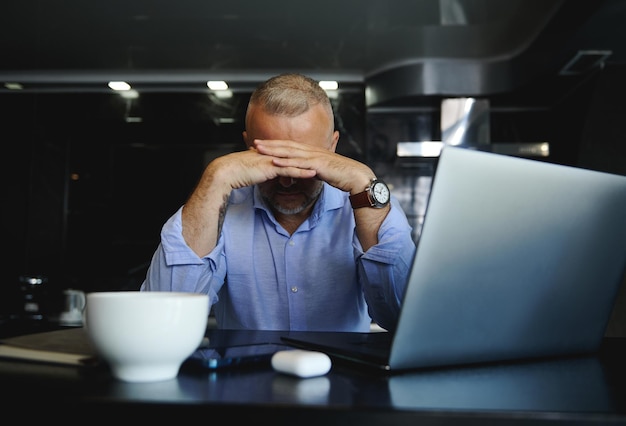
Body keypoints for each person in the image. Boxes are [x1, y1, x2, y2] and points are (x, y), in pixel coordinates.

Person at [140, 73, 416, 332]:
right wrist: (215, 177)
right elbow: (159, 320)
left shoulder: (365, 205)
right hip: (242, 380)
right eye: (271, 160)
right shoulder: (219, 206)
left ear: (332, 148)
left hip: (346, 380)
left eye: (305, 161)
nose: (287, 180)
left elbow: (402, 318)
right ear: (248, 147)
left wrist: (363, 181)